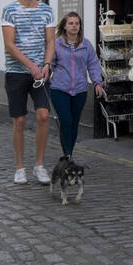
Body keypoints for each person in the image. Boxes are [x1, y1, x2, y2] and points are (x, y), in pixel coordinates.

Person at [2, 0, 56, 183]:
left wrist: (46, 65)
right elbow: (10, 44)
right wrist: (31, 65)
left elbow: (50, 41)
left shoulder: (46, 10)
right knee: (20, 121)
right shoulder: (10, 10)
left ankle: (39, 165)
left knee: (43, 116)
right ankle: (19, 167)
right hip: (16, 72)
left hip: (41, 73)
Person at [48, 12, 104, 162]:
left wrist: (97, 82)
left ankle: (69, 154)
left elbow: (93, 64)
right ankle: (67, 155)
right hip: (60, 89)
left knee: (74, 124)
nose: (74, 26)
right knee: (65, 121)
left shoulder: (86, 45)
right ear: (65, 26)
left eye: (77, 23)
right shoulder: (57, 44)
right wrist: (43, 74)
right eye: (71, 23)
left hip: (80, 90)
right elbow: (49, 64)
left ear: (80, 26)